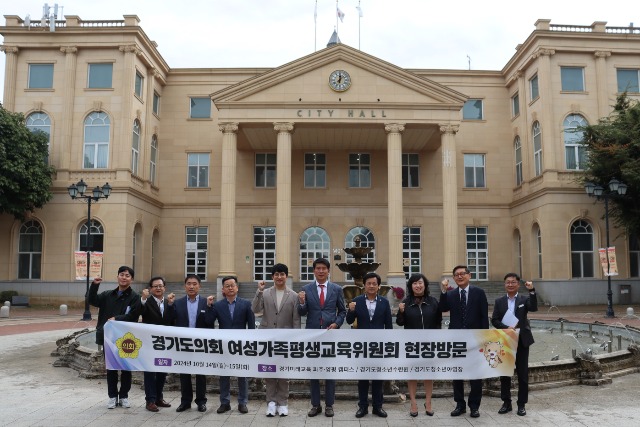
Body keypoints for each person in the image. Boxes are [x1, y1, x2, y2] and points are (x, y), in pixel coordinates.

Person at [297, 258, 346, 418]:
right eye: (318, 268)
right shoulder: (306, 288)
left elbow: (342, 311)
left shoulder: (336, 289)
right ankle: (315, 405)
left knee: (329, 371)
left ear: (328, 270)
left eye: (324, 268)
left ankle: (329, 405)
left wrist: (337, 324)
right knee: (314, 371)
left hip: (330, 335)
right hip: (312, 335)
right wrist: (302, 302)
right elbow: (302, 312)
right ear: (314, 271)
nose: (321, 271)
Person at [88, 265, 141, 409]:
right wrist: (94, 286)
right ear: (117, 277)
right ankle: (112, 396)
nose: (124, 277)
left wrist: (116, 319)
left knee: (126, 368)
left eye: (127, 275)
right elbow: (91, 300)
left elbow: (133, 315)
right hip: (109, 337)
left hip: (126, 338)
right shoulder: (107, 295)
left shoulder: (134, 297)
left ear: (132, 279)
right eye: (122, 274)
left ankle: (124, 396)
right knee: (111, 368)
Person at [439, 265, 489, 418]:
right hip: (457, 340)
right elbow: (443, 307)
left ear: (469, 275)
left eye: (462, 274)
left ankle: (474, 406)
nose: (459, 276)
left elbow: (483, 316)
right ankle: (459, 404)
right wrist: (443, 291)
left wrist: (484, 338)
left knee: (475, 375)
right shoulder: (451, 294)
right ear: (454, 278)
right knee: (457, 374)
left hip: (475, 339)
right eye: (456, 275)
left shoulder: (479, 293)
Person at [251, 263, 301, 417]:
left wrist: (295, 340)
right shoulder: (265, 293)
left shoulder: (293, 295)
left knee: (284, 373)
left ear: (286, 276)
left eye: (282, 274)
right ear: (272, 277)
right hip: (268, 338)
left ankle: (283, 403)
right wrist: (258, 291)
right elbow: (255, 309)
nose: (279, 277)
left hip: (285, 340)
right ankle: (271, 402)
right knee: (269, 371)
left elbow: (296, 320)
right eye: (276, 274)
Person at [346, 272, 392, 418]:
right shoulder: (357, 300)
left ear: (378, 286)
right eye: (368, 283)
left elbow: (389, 326)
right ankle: (363, 407)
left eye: (374, 283)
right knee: (363, 378)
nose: (371, 286)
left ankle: (378, 407)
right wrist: (351, 310)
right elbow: (348, 321)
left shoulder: (384, 302)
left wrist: (389, 344)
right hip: (362, 345)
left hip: (379, 345)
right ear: (364, 286)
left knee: (378, 378)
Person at [491, 273, 538, 416]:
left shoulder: (524, 299)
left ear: (518, 284)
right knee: (505, 373)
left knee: (523, 374)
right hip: (506, 340)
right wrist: (506, 327)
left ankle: (521, 404)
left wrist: (532, 291)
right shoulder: (499, 301)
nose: (510, 285)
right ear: (504, 285)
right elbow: (494, 320)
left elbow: (534, 307)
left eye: (513, 282)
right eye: (507, 282)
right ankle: (506, 403)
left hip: (522, 340)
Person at [396, 273, 442, 417]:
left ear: (425, 284)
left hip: (429, 344)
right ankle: (413, 403)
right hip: (412, 345)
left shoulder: (433, 301)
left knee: (428, 374)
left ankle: (428, 402)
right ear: (411, 286)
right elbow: (399, 323)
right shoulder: (406, 302)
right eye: (414, 283)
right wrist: (401, 312)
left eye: (420, 282)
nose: (418, 285)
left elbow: (438, 322)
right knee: (413, 375)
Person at [210, 276, 256, 414]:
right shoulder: (217, 305)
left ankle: (243, 402)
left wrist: (250, 343)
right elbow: (209, 321)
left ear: (237, 287)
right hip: (223, 345)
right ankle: (225, 402)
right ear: (223, 289)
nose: (230, 288)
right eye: (227, 286)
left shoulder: (246, 304)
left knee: (242, 374)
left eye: (232, 285)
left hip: (241, 345)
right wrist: (209, 307)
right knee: (224, 374)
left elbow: (252, 325)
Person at [173, 274, 215, 413]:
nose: (191, 286)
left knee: (200, 374)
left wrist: (209, 307)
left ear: (199, 286)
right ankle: (185, 401)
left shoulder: (206, 302)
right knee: (184, 373)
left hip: (200, 344)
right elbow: (170, 322)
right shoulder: (177, 303)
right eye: (189, 284)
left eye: (194, 284)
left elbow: (210, 323)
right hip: (183, 344)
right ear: (185, 286)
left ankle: (201, 401)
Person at [140, 276, 176, 412]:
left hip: (165, 344)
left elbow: (172, 320)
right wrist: (143, 300)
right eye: (155, 286)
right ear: (151, 289)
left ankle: (158, 398)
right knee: (150, 372)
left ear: (164, 288)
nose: (158, 288)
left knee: (162, 371)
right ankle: (150, 400)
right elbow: (140, 312)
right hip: (150, 343)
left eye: (161, 286)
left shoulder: (168, 303)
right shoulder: (146, 302)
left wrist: (172, 305)